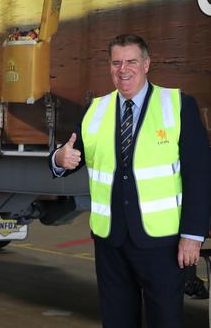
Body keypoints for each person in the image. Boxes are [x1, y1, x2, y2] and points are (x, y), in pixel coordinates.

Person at [49, 34, 210, 327]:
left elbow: (199, 175)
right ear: (110, 67)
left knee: (166, 321)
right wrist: (60, 159)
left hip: (161, 244)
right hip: (111, 243)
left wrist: (193, 235)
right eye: (117, 63)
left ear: (146, 64)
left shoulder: (177, 105)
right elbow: (70, 154)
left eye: (132, 61)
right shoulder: (95, 110)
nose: (124, 69)